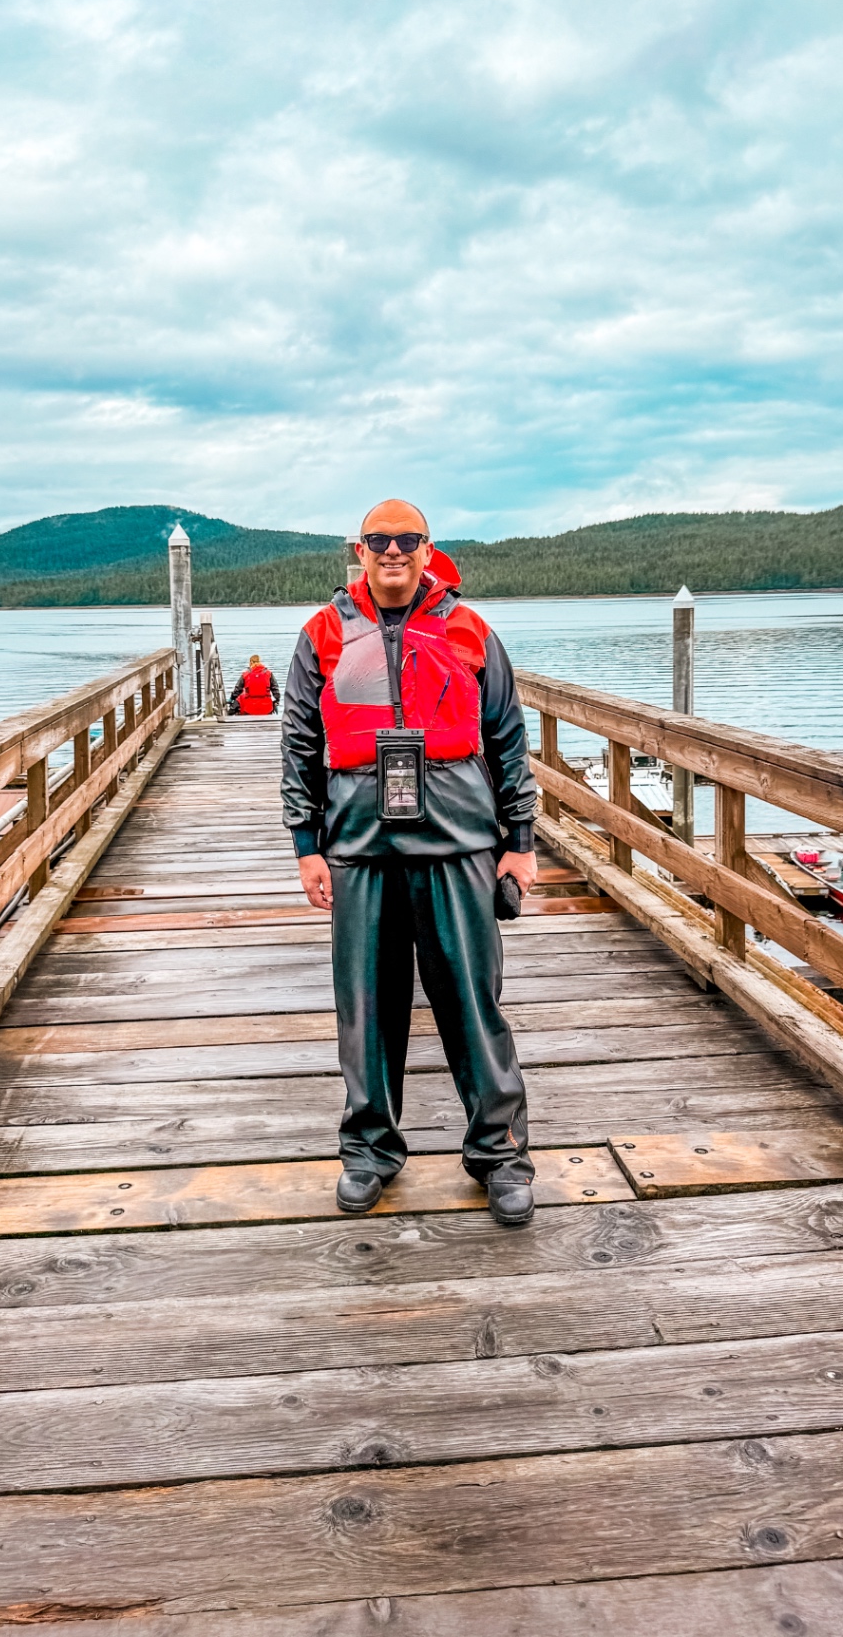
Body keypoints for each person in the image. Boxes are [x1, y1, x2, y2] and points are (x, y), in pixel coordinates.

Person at [280, 498, 539, 1227]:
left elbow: (508, 741)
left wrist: (518, 844)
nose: (392, 551)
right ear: (355, 552)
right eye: (377, 540)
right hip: (359, 848)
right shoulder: (322, 634)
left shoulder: (468, 631)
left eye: (407, 540)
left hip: (459, 843)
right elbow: (299, 747)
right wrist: (307, 847)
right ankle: (368, 1151)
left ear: (428, 551)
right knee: (365, 1009)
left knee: (470, 1003)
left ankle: (500, 1154)